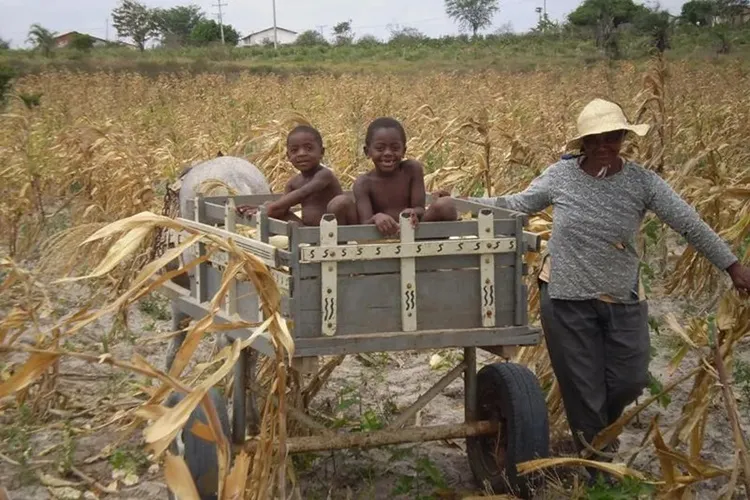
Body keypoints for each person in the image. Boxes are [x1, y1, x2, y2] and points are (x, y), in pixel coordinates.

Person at [438, 98, 750, 482]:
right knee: (584, 391)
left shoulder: (642, 182)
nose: (605, 145)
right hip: (566, 299)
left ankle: (600, 439)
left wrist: (732, 265)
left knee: (630, 379)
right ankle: (597, 468)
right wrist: (455, 204)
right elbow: (515, 206)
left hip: (622, 299)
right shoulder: (561, 177)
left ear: (624, 138)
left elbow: (689, 223)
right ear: (582, 143)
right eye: (596, 138)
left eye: (613, 137)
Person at [353, 117, 457, 237]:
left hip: (414, 231)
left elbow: (420, 209)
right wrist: (377, 218)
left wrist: (413, 212)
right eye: (380, 148)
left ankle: (440, 250)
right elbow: (364, 224)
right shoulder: (363, 183)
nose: (388, 153)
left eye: (395, 148)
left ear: (404, 151)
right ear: (367, 151)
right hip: (382, 238)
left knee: (446, 204)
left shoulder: (412, 169)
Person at [237, 125, 357, 226]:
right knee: (276, 208)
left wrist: (270, 208)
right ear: (288, 156)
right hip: (308, 231)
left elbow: (304, 192)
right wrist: (261, 208)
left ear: (321, 152)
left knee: (341, 201)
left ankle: (341, 240)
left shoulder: (324, 175)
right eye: (294, 150)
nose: (302, 154)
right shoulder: (293, 183)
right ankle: (303, 237)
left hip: (337, 230)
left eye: (309, 148)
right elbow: (282, 207)